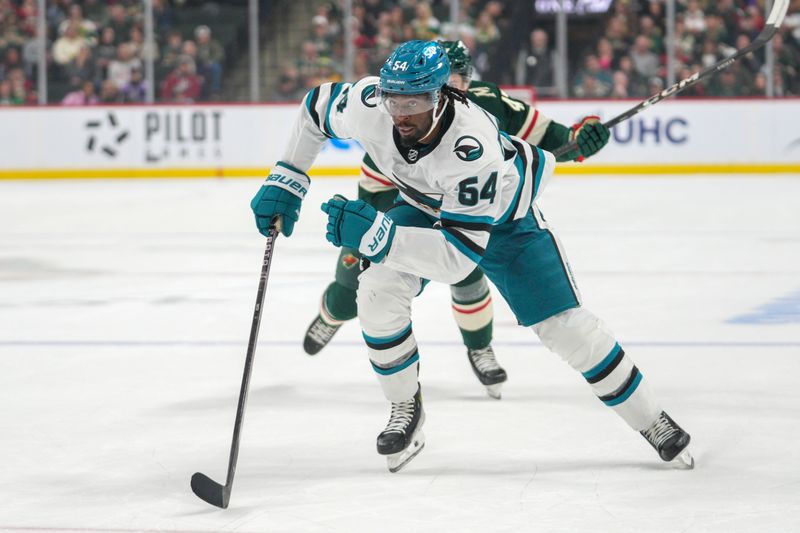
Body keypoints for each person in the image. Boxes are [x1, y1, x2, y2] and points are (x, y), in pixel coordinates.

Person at [250, 40, 692, 473]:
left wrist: (379, 237)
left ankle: (652, 420)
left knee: (566, 329)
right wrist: (288, 177)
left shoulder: (470, 144)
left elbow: (458, 260)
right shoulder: (370, 103)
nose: (401, 113)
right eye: (394, 100)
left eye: (416, 101)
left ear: (441, 96)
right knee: (377, 290)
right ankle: (407, 406)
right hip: (426, 205)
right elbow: (315, 109)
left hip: (505, 220)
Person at [303, 40, 610, 402]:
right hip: (395, 197)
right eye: (446, 78)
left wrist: (580, 138)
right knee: (356, 277)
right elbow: (371, 181)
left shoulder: (485, 102)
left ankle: (479, 347)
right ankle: (333, 314)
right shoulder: (403, 108)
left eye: (459, 77)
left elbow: (554, 136)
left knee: (466, 268)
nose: (454, 86)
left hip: (461, 202)